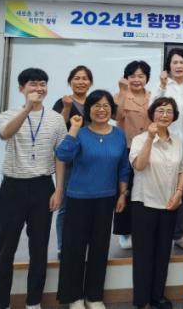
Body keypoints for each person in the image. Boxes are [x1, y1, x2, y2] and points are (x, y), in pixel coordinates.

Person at [0, 68, 66, 309]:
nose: (39, 88)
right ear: (21, 89)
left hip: (42, 187)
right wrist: (26, 109)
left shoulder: (56, 119)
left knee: (39, 249)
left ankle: (33, 303)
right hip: (12, 188)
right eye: (33, 84)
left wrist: (58, 190)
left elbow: (60, 155)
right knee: (6, 249)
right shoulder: (8, 114)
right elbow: (5, 134)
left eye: (43, 84)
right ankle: (2, 304)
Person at [55, 90, 131, 309]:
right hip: (78, 199)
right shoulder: (80, 133)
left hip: (106, 199)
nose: (101, 110)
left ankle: (94, 296)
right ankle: (74, 297)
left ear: (111, 110)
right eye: (96, 105)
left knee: (99, 249)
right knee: (74, 249)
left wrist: (123, 194)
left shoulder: (119, 135)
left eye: (106, 106)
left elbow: (123, 167)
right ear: (88, 109)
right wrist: (73, 129)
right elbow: (63, 155)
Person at [130, 97, 183, 309]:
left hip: (169, 204)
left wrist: (179, 193)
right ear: (152, 113)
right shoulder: (139, 139)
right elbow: (139, 165)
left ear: (174, 116)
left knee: (163, 253)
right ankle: (142, 300)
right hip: (144, 203)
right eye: (160, 110)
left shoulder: (178, 142)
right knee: (143, 255)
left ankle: (158, 296)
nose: (164, 115)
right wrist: (150, 137)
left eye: (169, 111)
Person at [152, 47, 183, 250]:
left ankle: (179, 234)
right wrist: (162, 87)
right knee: (159, 190)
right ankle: (158, 232)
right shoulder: (162, 87)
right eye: (174, 62)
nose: (179, 66)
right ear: (169, 66)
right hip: (161, 145)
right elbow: (152, 109)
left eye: (182, 62)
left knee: (181, 191)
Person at [52, 65, 94, 255]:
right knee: (66, 206)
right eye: (76, 78)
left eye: (85, 78)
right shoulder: (63, 102)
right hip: (69, 161)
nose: (81, 82)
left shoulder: (95, 102)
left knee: (88, 206)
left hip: (91, 160)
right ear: (70, 82)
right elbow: (57, 126)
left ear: (90, 82)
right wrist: (67, 107)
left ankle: (85, 243)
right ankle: (63, 246)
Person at [113, 60, 152, 250]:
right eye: (132, 76)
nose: (137, 79)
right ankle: (124, 232)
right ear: (126, 78)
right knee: (125, 190)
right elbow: (116, 116)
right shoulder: (120, 95)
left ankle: (141, 228)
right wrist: (122, 92)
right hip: (126, 148)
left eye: (141, 76)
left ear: (147, 78)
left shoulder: (153, 96)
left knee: (145, 190)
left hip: (148, 149)